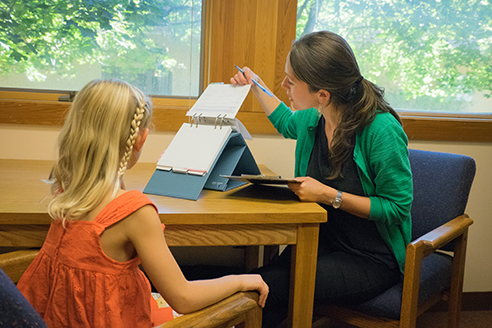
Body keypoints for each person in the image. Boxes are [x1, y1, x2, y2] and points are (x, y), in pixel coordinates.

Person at [17, 79, 268, 328]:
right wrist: (242, 280)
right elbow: (183, 298)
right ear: (140, 139)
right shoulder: (135, 211)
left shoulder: (64, 191)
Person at [231, 30, 413, 327]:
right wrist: (256, 85)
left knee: (264, 286)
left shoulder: (380, 130)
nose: (284, 85)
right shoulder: (315, 118)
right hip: (322, 241)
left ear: (323, 94)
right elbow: (286, 121)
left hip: (372, 258)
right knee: (262, 288)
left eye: (291, 80)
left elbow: (396, 208)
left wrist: (330, 196)